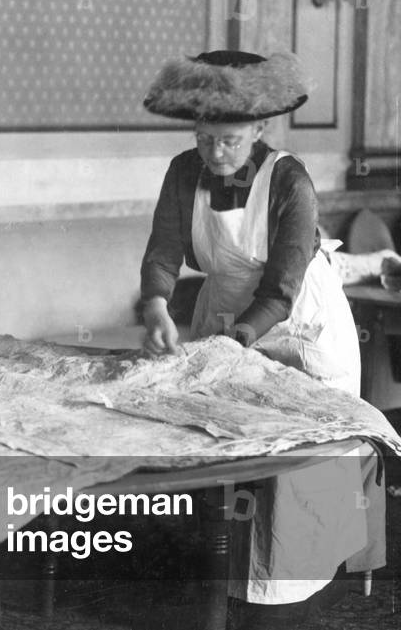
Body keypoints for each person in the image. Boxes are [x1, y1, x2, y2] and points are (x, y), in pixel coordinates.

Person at [139, 51, 378, 628]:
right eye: (203, 139)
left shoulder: (289, 179)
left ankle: (288, 591)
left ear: (260, 129)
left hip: (297, 321)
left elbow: (282, 285)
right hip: (225, 309)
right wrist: (154, 304)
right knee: (225, 440)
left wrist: (238, 341)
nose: (214, 153)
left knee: (294, 464)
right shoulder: (182, 171)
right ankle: (222, 580)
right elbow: (164, 250)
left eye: (228, 140)